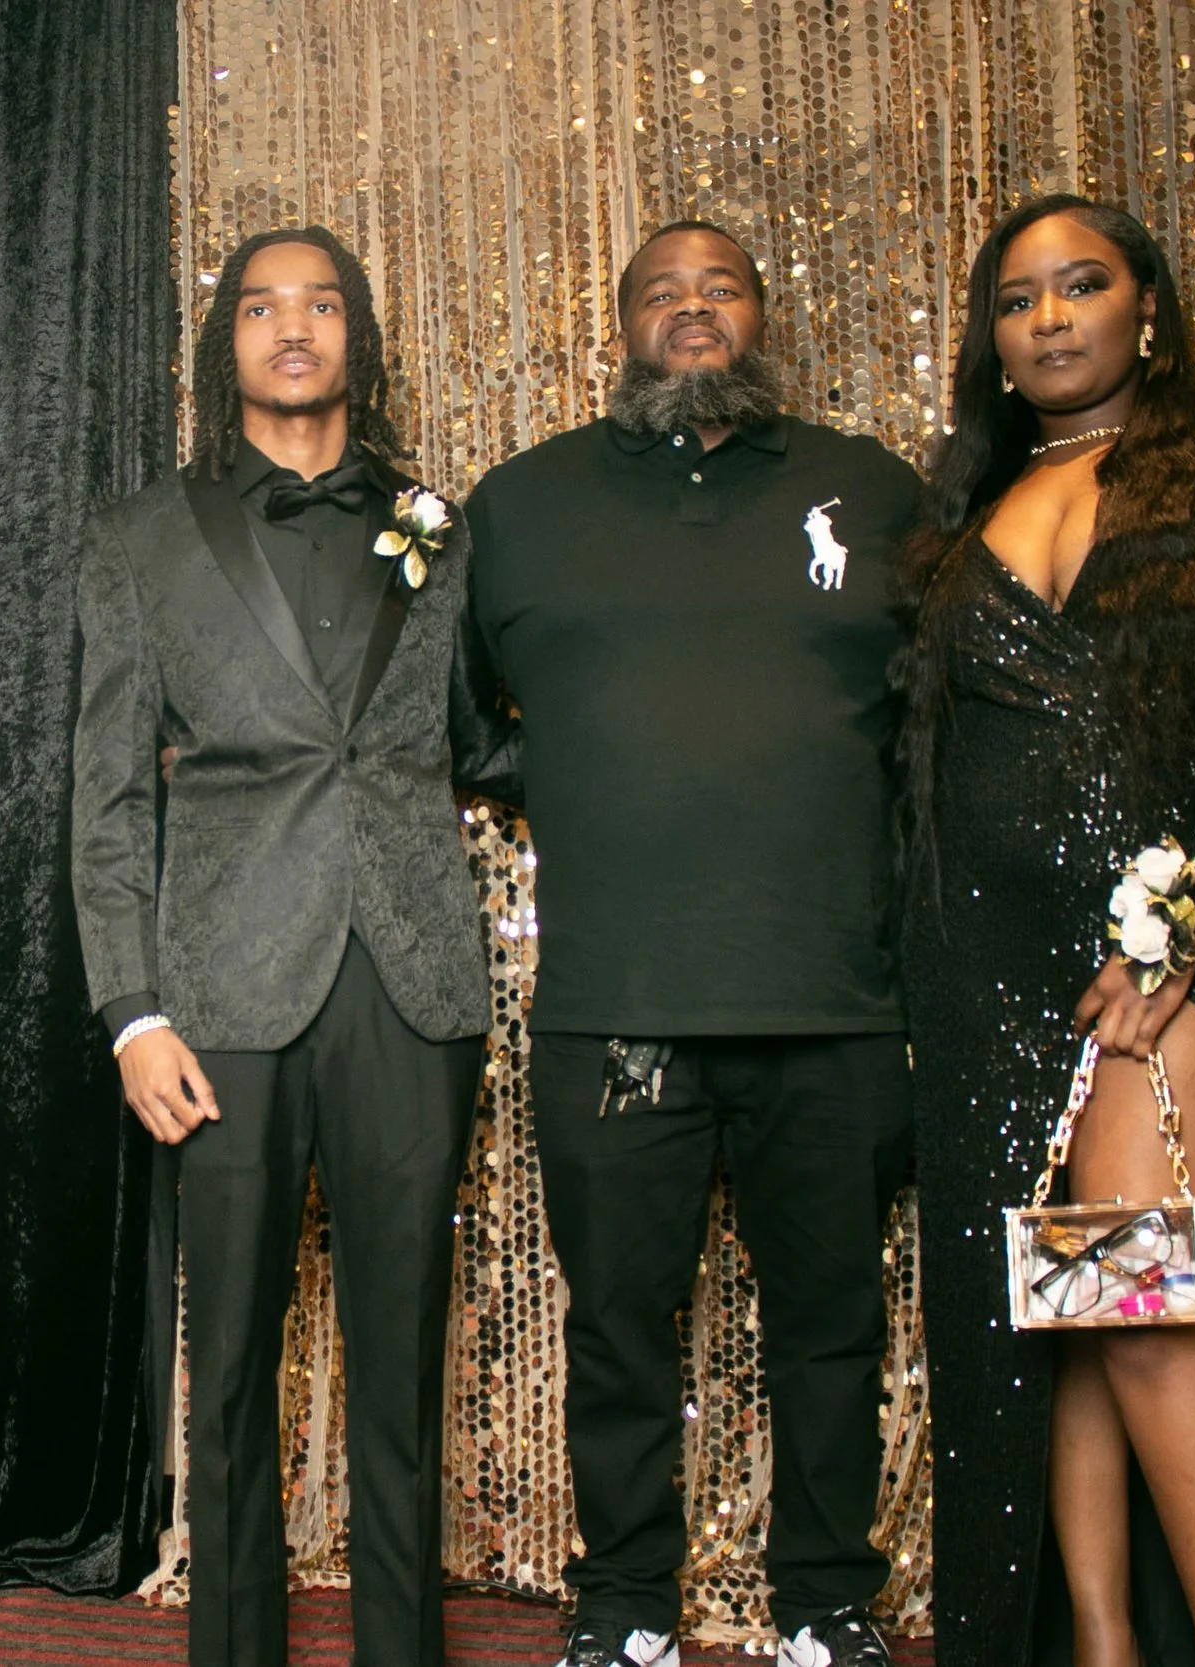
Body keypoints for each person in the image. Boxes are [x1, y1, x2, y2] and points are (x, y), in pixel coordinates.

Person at [894, 195, 1195, 1667]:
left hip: (1169, 968)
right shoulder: (967, 513)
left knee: (1138, 1305)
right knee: (1062, 1319)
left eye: (1081, 283)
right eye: (1017, 297)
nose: (1048, 317)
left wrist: (1184, 914)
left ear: (1147, 305)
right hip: (991, 971)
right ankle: (1101, 1646)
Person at [464, 221, 920, 1667]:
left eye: (721, 285)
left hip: (834, 998)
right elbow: (460, 714)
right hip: (619, 1004)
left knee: (831, 1329)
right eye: (662, 289)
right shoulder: (523, 502)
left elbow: (931, 721)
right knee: (617, 1327)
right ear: (624, 328)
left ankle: (827, 1603)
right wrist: (584, 778)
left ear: (760, 316)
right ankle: (624, 1612)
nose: (693, 306)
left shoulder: (872, 489)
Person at [69, 225, 519, 1667]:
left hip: (411, 980)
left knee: (403, 1368)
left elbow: (479, 737)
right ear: (230, 345)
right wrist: (133, 1012)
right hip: (220, 997)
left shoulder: (441, 527)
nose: (294, 326)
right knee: (228, 1373)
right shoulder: (141, 537)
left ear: (355, 337)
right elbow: (108, 794)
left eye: (322, 303)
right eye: (262, 306)